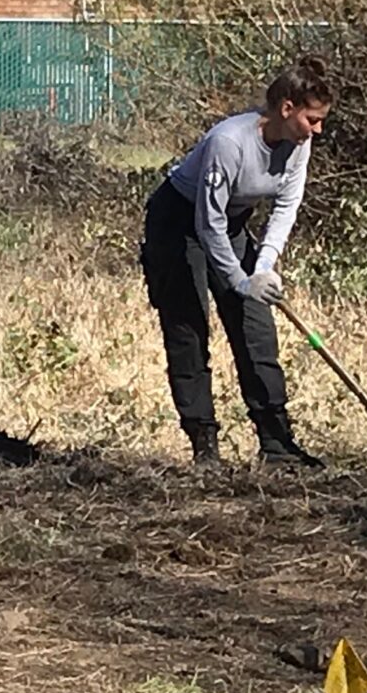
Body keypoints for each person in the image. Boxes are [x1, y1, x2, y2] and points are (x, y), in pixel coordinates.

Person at [141, 55, 336, 466]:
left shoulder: (299, 144)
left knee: (256, 329)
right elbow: (206, 222)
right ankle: (204, 446)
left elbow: (286, 207)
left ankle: (277, 444)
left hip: (231, 225)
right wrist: (237, 278)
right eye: (312, 120)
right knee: (189, 327)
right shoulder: (228, 142)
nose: (317, 130)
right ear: (287, 109)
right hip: (178, 222)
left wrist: (262, 268)